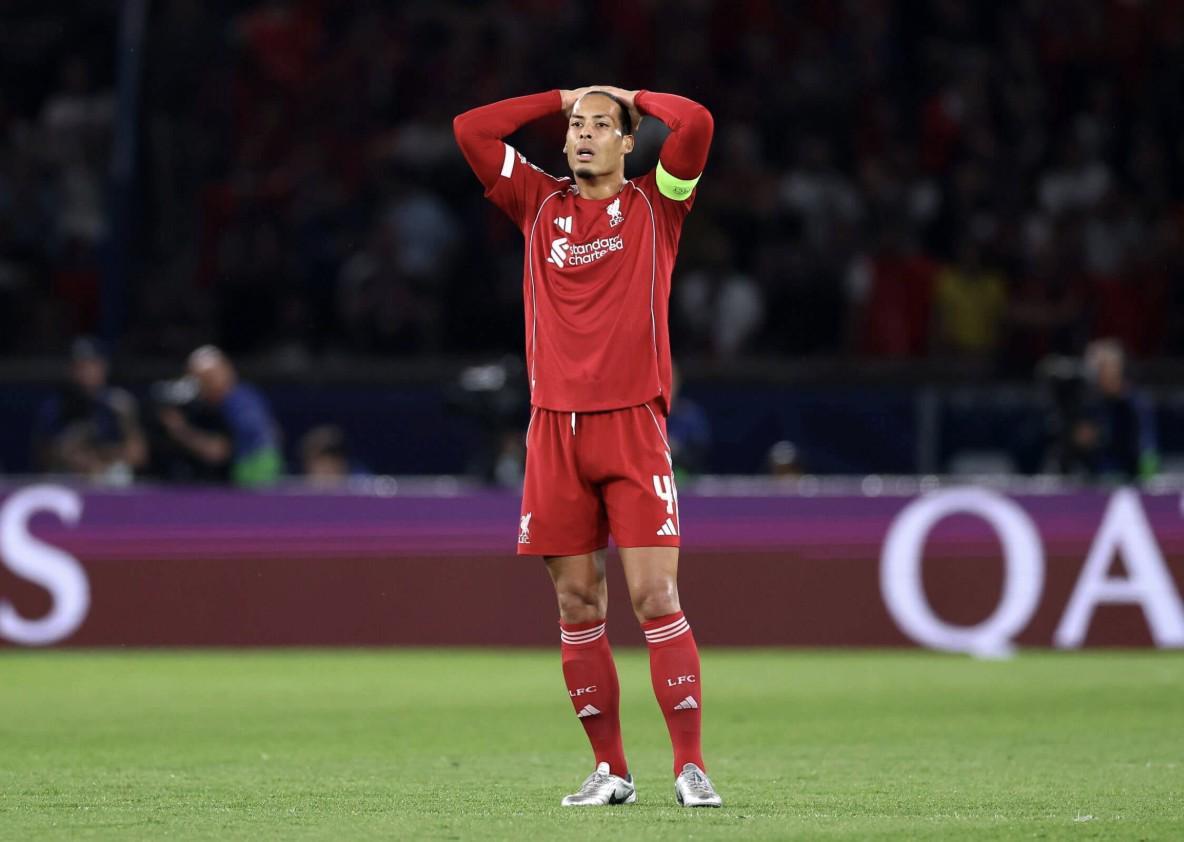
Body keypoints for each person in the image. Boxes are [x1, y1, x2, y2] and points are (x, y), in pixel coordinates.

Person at [454, 86, 720, 808]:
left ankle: (690, 767)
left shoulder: (658, 204)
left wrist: (631, 96)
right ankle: (611, 770)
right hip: (554, 430)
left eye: (602, 126)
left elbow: (696, 122)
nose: (583, 134)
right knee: (576, 603)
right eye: (576, 125)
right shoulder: (537, 202)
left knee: (655, 594)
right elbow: (471, 129)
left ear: (628, 141)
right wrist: (560, 96)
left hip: (632, 426)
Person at [157, 345, 283, 487]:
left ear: (227, 371)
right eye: (200, 379)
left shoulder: (240, 403)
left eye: (209, 378)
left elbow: (218, 452)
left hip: (251, 476)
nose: (205, 384)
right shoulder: (218, 403)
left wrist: (179, 430)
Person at [33, 337, 147, 483]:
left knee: (119, 474)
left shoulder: (118, 402)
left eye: (92, 365)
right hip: (69, 479)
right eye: (79, 366)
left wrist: (101, 457)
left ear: (104, 367)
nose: (86, 372)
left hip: (110, 478)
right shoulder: (57, 405)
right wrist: (81, 459)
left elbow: (138, 455)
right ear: (70, 370)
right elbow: (45, 455)